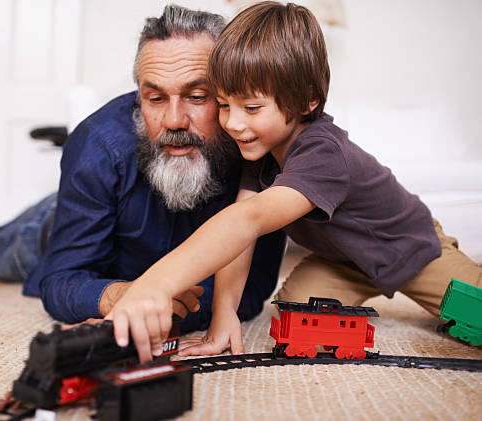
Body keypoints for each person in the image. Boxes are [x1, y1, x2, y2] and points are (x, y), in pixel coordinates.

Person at [107, 1, 482, 362]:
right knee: (297, 323)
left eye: (252, 108)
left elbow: (246, 220)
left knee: (473, 310)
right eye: (223, 105)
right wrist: (224, 314)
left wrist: (155, 284)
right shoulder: (258, 146)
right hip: (341, 261)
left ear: (306, 102)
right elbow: (242, 235)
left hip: (410, 251)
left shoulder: (323, 152)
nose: (234, 123)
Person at [0, 5, 286, 336]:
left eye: (196, 95)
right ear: (139, 97)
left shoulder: (258, 149)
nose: (175, 121)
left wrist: (165, 304)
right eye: (156, 98)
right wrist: (118, 296)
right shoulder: (97, 143)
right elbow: (62, 279)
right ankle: (57, 206)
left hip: (107, 207)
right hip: (47, 233)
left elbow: (255, 288)